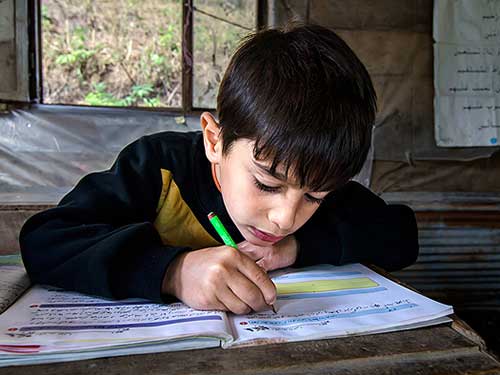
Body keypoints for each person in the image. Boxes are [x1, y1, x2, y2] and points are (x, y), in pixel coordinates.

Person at [20, 24, 418, 315]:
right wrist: (173, 271)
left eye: (314, 197)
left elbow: (401, 236)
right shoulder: (157, 167)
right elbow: (46, 240)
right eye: (265, 183)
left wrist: (297, 247)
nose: (285, 218)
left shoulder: (315, 171)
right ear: (215, 140)